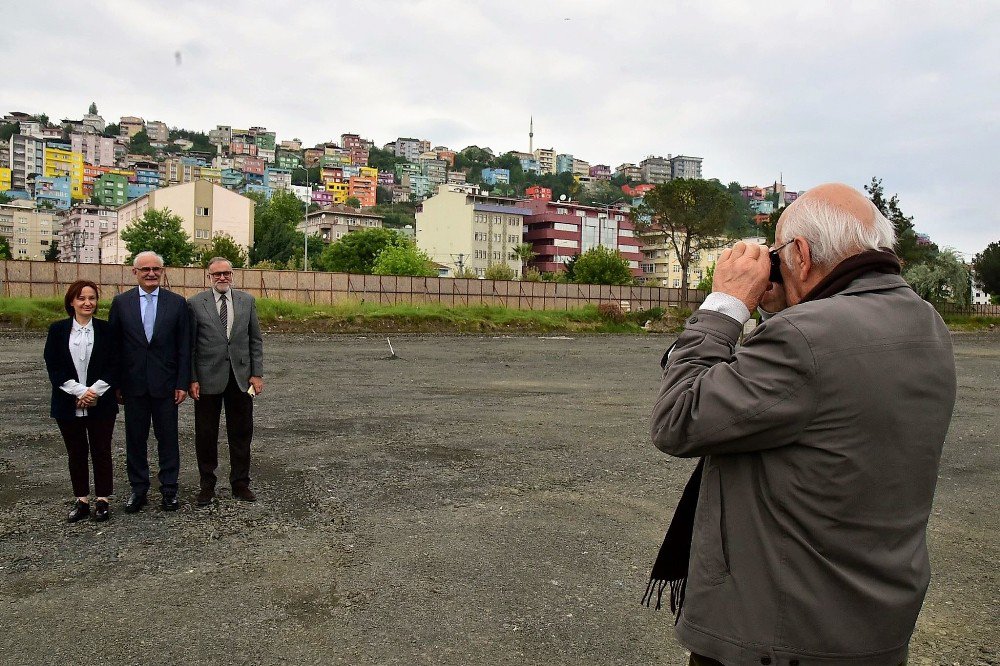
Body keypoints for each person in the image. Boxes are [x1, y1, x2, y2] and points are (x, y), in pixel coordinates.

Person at [647, 183, 956, 665]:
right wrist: (783, 302)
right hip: (871, 623)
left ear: (802, 254)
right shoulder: (925, 324)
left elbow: (679, 418)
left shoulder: (804, 338)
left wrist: (726, 305)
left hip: (779, 636)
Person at [108, 250, 190, 513]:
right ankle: (138, 489)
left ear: (162, 271)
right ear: (135, 273)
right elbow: (115, 347)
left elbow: (184, 348)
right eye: (145, 269)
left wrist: (182, 382)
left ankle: (169, 490)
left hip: (166, 385)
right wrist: (117, 384)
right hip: (133, 386)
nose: (151, 273)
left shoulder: (177, 303)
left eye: (156, 269)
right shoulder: (121, 303)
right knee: (135, 438)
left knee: (168, 439)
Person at [188, 257, 264, 506]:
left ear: (233, 275)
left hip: (241, 378)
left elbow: (255, 340)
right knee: (206, 434)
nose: (222, 278)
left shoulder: (247, 301)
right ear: (208, 277)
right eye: (217, 274)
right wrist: (193, 378)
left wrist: (257, 374)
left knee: (241, 432)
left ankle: (240, 483)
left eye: (226, 273)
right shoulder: (196, 304)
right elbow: (190, 346)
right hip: (208, 378)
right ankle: (207, 485)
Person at [43, 280, 118, 522]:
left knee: (102, 450)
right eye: (82, 298)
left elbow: (115, 365)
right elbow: (53, 365)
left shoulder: (107, 330)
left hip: (101, 402)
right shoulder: (57, 330)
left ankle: (103, 500)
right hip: (68, 402)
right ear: (71, 301)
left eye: (92, 298)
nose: (88, 303)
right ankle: (82, 500)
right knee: (76, 452)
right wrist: (78, 391)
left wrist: (94, 392)